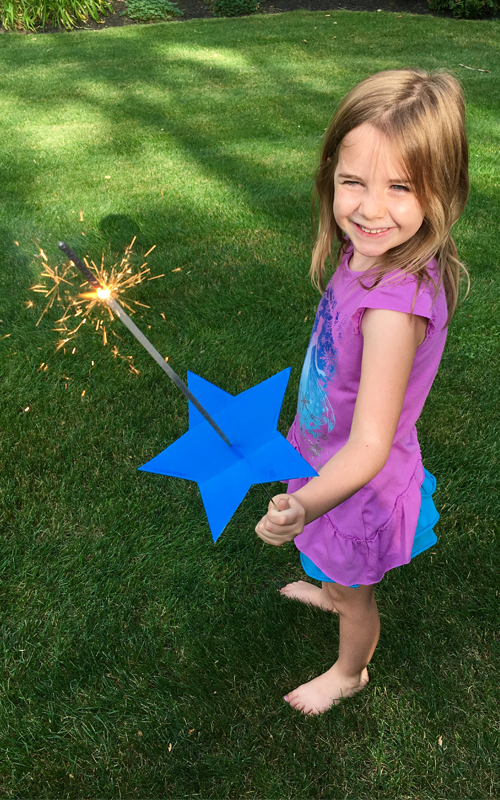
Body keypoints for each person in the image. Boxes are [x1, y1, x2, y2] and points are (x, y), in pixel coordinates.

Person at [255, 69, 469, 716]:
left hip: (356, 484)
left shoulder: (393, 309)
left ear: (442, 191)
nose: (371, 209)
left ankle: (350, 671)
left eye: (401, 187)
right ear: (331, 177)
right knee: (335, 573)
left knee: (357, 594)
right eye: (354, 182)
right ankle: (330, 585)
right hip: (323, 450)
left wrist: (304, 506)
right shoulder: (368, 253)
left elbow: (371, 445)